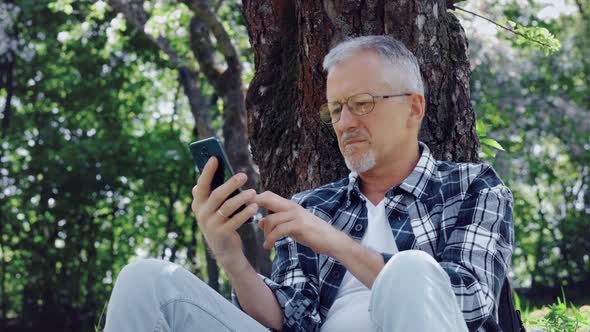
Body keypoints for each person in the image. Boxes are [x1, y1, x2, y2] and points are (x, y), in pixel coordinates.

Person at [104, 35, 514, 332]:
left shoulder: (473, 188)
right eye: (336, 109)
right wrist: (230, 255)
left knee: (411, 270)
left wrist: (333, 241)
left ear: (413, 106)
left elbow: (470, 302)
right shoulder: (313, 207)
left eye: (362, 104)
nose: (346, 123)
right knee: (145, 280)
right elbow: (287, 321)